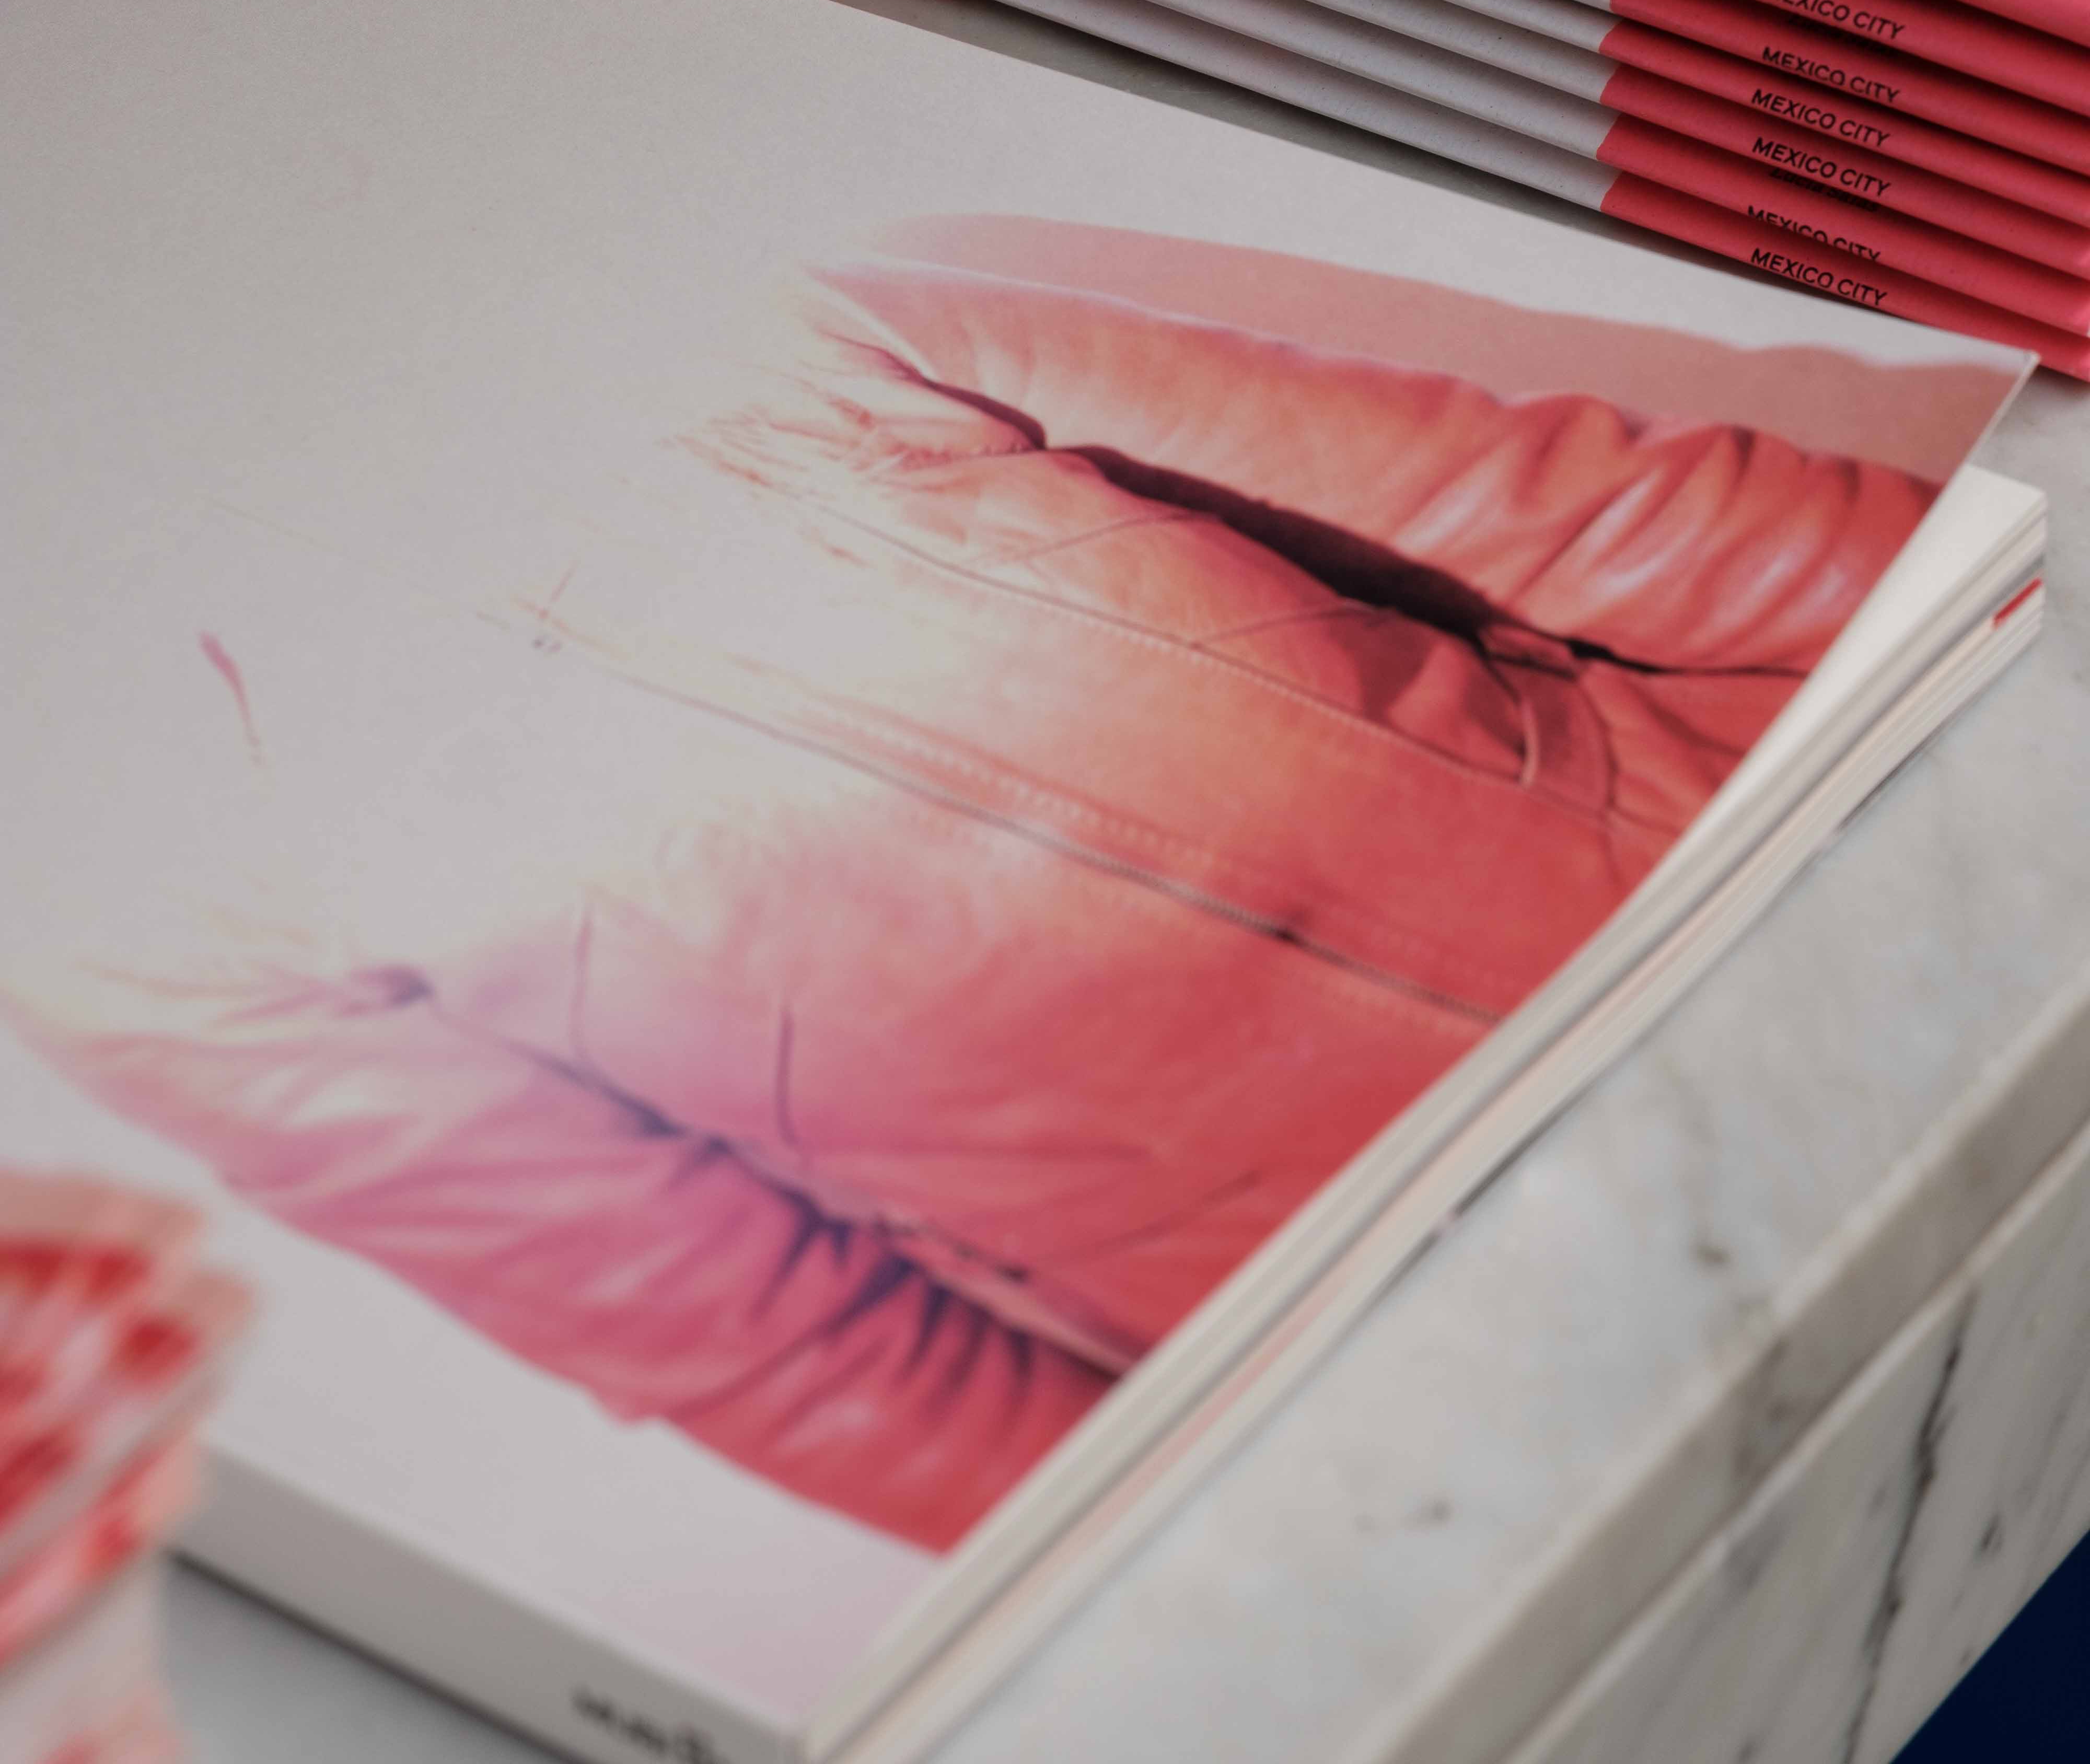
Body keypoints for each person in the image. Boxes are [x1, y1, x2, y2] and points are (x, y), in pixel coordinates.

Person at [0, 253, 1932, 1551]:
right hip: (1564, 1353)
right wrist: (1380, 1556)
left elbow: (1647, 529)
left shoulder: (763, 332)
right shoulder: (134, 925)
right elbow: (801, 1359)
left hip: (1910, 893)